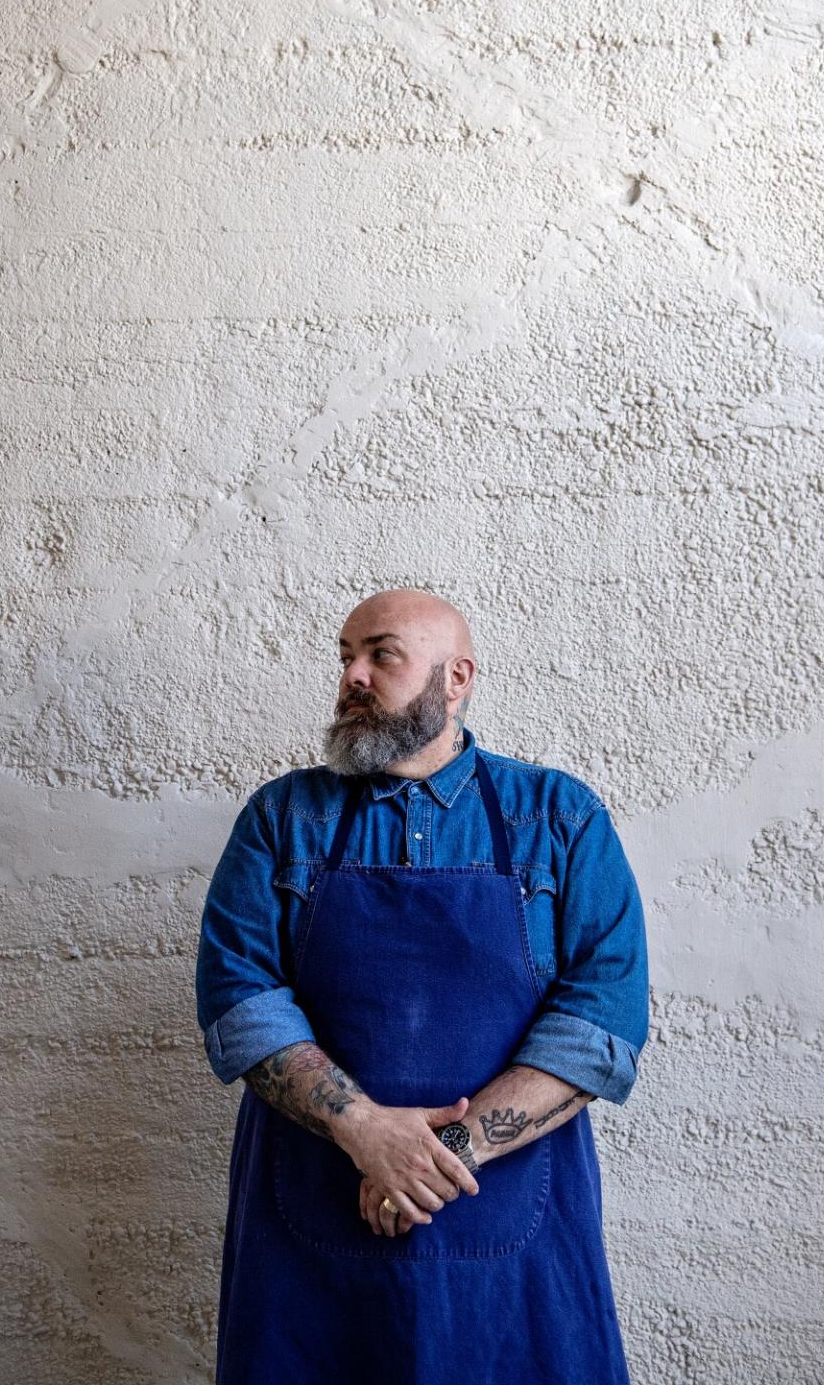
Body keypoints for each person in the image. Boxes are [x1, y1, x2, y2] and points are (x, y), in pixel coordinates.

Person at [195, 587, 649, 1385]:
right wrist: (366, 1131)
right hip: (312, 1218)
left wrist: (441, 1157)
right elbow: (239, 1000)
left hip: (512, 1222)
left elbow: (601, 1022)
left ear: (457, 677)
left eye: (382, 654)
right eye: (345, 657)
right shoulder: (280, 819)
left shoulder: (560, 817)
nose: (354, 676)